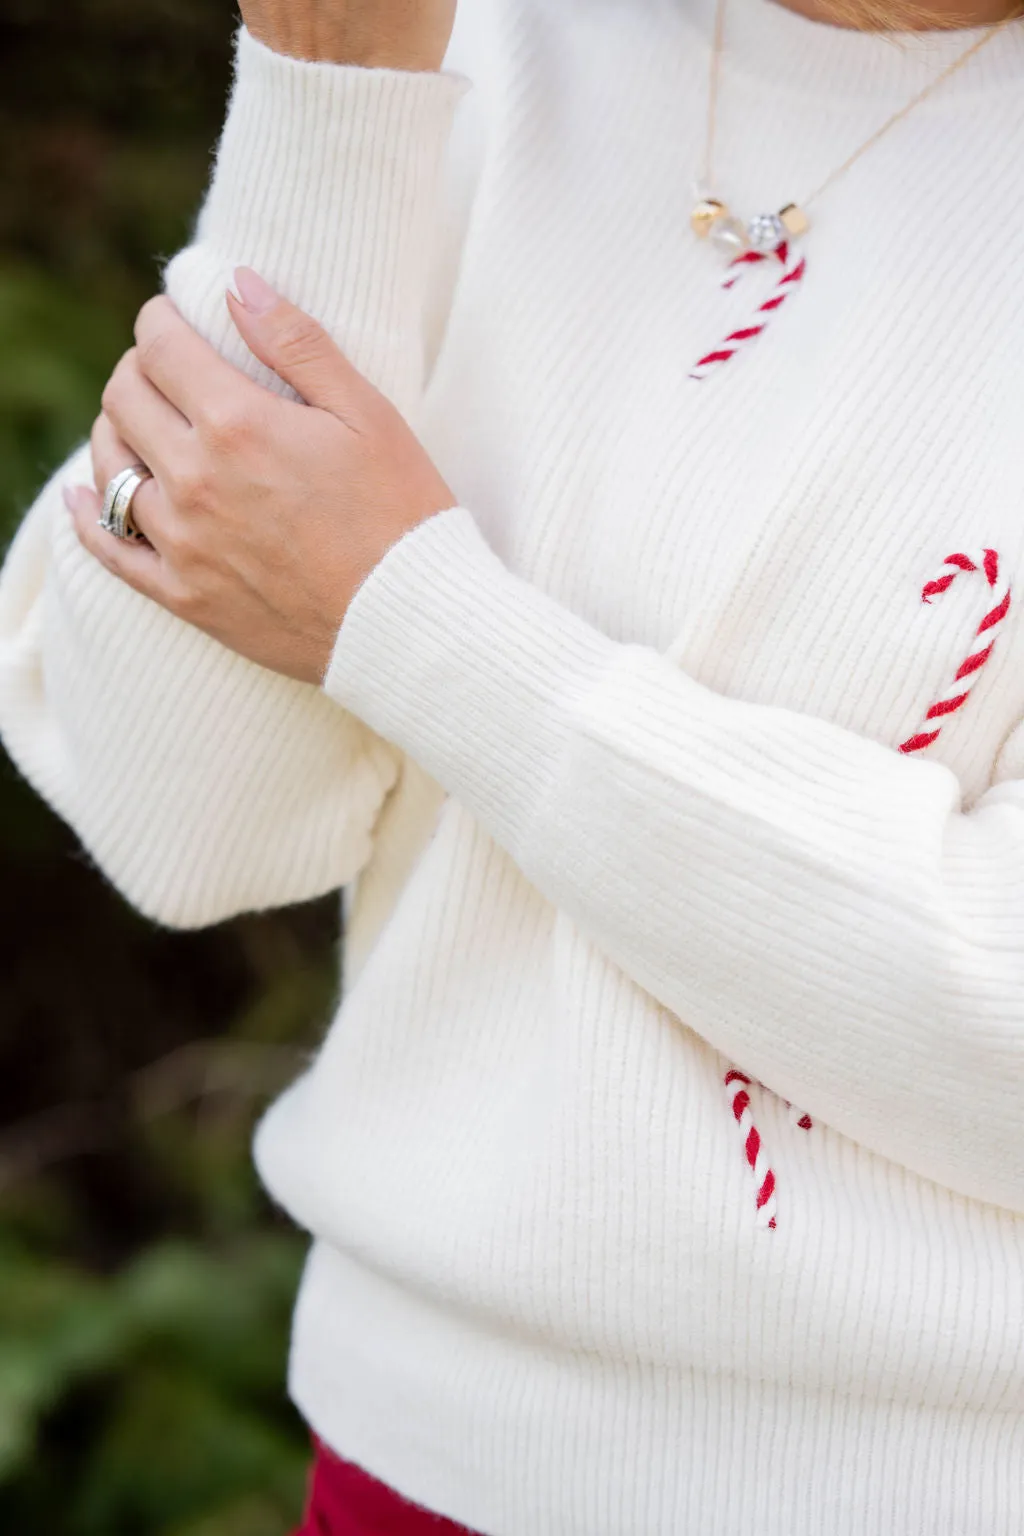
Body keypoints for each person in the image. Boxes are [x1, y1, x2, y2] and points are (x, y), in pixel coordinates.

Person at [2, 0, 1023, 1528]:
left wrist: (410, 619)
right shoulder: (449, 37)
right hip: (413, 1470)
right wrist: (326, 96)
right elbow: (186, 826)